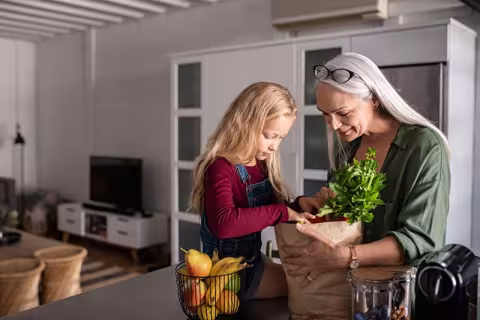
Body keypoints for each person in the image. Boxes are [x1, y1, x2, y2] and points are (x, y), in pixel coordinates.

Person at [283, 53, 450, 282]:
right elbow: (345, 224)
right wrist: (322, 206)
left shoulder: (424, 147)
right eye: (325, 114)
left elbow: (420, 240)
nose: (333, 125)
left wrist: (348, 256)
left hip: (402, 295)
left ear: (374, 99)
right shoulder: (345, 147)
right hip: (350, 289)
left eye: (343, 113)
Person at [190, 82, 314, 299]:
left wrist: (296, 205)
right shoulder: (220, 167)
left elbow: (266, 207)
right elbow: (224, 224)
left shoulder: (260, 162)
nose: (275, 146)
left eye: (281, 137)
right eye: (269, 135)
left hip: (251, 261)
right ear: (243, 123)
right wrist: (283, 212)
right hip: (229, 277)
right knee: (305, 285)